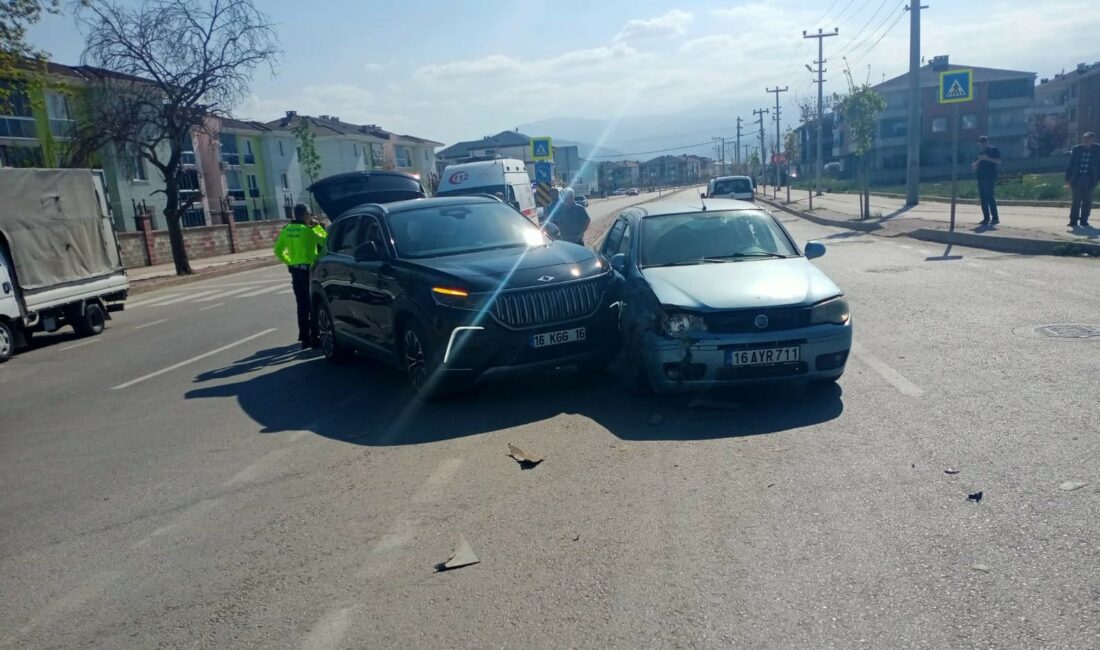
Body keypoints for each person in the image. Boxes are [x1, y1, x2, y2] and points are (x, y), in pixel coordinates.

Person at [273, 204, 327, 349]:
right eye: (309, 214)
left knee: (301, 305)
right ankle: (315, 337)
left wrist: (289, 261)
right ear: (305, 215)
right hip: (309, 271)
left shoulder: (286, 230)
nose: (310, 217)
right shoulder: (308, 231)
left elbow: (277, 250)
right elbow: (326, 241)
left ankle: (304, 338)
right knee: (312, 305)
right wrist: (318, 227)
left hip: (295, 272)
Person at [1065, 131, 1099, 228]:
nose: (1085, 140)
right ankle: (1073, 221)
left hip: (1090, 178)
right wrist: (1067, 179)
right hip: (1077, 178)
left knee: (1087, 201)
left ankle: (1084, 220)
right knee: (1076, 201)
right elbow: (1070, 165)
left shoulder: (1097, 149)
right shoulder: (1077, 149)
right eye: (1084, 138)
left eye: (1088, 138)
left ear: (1092, 140)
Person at [971, 135, 1002, 225]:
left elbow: (999, 161)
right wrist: (978, 161)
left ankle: (995, 218)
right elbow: (973, 168)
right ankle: (986, 218)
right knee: (983, 198)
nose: (983, 145)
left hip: (990, 177)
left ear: (987, 142)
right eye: (981, 143)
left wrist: (987, 158)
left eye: (984, 142)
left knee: (990, 196)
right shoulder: (979, 153)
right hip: (980, 177)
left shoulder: (994, 150)